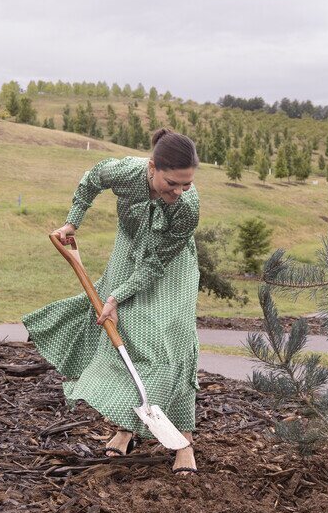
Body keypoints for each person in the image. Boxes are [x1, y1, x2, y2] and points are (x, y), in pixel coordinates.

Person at [23, 128, 201, 475]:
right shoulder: (126, 172)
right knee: (127, 334)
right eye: (172, 183)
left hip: (170, 265)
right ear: (152, 167)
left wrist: (117, 296)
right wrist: (73, 221)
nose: (179, 193)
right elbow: (92, 179)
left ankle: (185, 441)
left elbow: (155, 263)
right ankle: (126, 428)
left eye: (187, 185)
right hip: (129, 252)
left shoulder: (187, 208)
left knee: (170, 341)